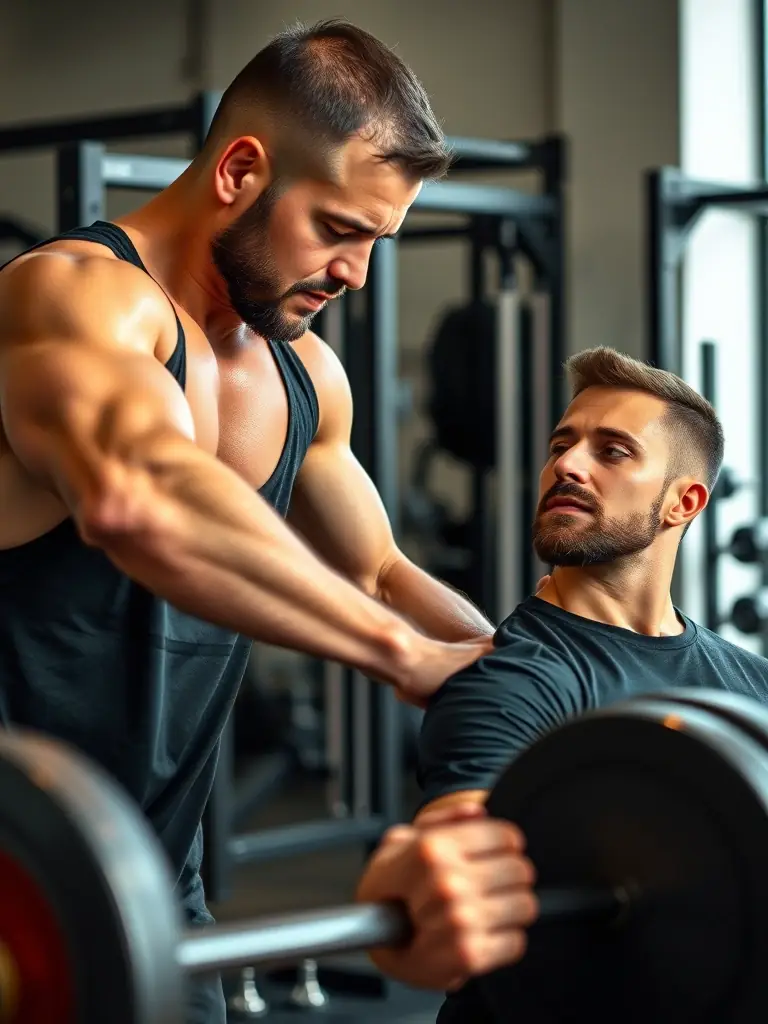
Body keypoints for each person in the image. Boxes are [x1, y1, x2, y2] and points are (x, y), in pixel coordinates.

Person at [0, 20, 532, 1023]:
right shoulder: (72, 298)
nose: (357, 273)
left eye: (376, 241)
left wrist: (527, 689)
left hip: (157, 895)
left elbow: (380, 573)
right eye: (338, 228)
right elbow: (139, 498)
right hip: (16, 883)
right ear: (240, 170)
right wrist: (399, 657)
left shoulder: (306, 379)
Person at [409, 345, 768, 1021]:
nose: (567, 465)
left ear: (683, 502)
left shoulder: (751, 682)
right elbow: (459, 890)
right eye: (561, 445)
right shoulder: (513, 680)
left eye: (613, 451)